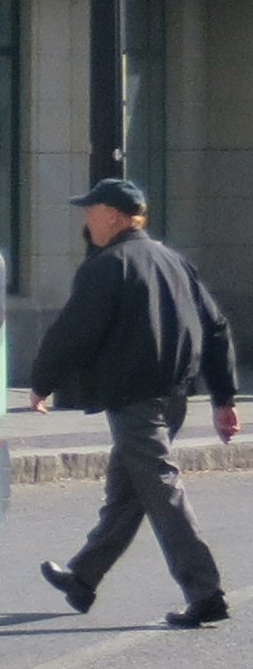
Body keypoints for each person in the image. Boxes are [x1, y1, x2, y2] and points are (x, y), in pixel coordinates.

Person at [28, 177, 237, 629]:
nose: (86, 221)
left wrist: (42, 381)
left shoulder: (109, 265)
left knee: (160, 490)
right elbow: (216, 327)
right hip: (175, 396)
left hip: (136, 399)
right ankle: (83, 576)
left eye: (91, 211)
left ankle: (205, 592)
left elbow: (74, 331)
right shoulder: (173, 261)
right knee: (128, 491)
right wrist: (223, 397)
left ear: (115, 216)